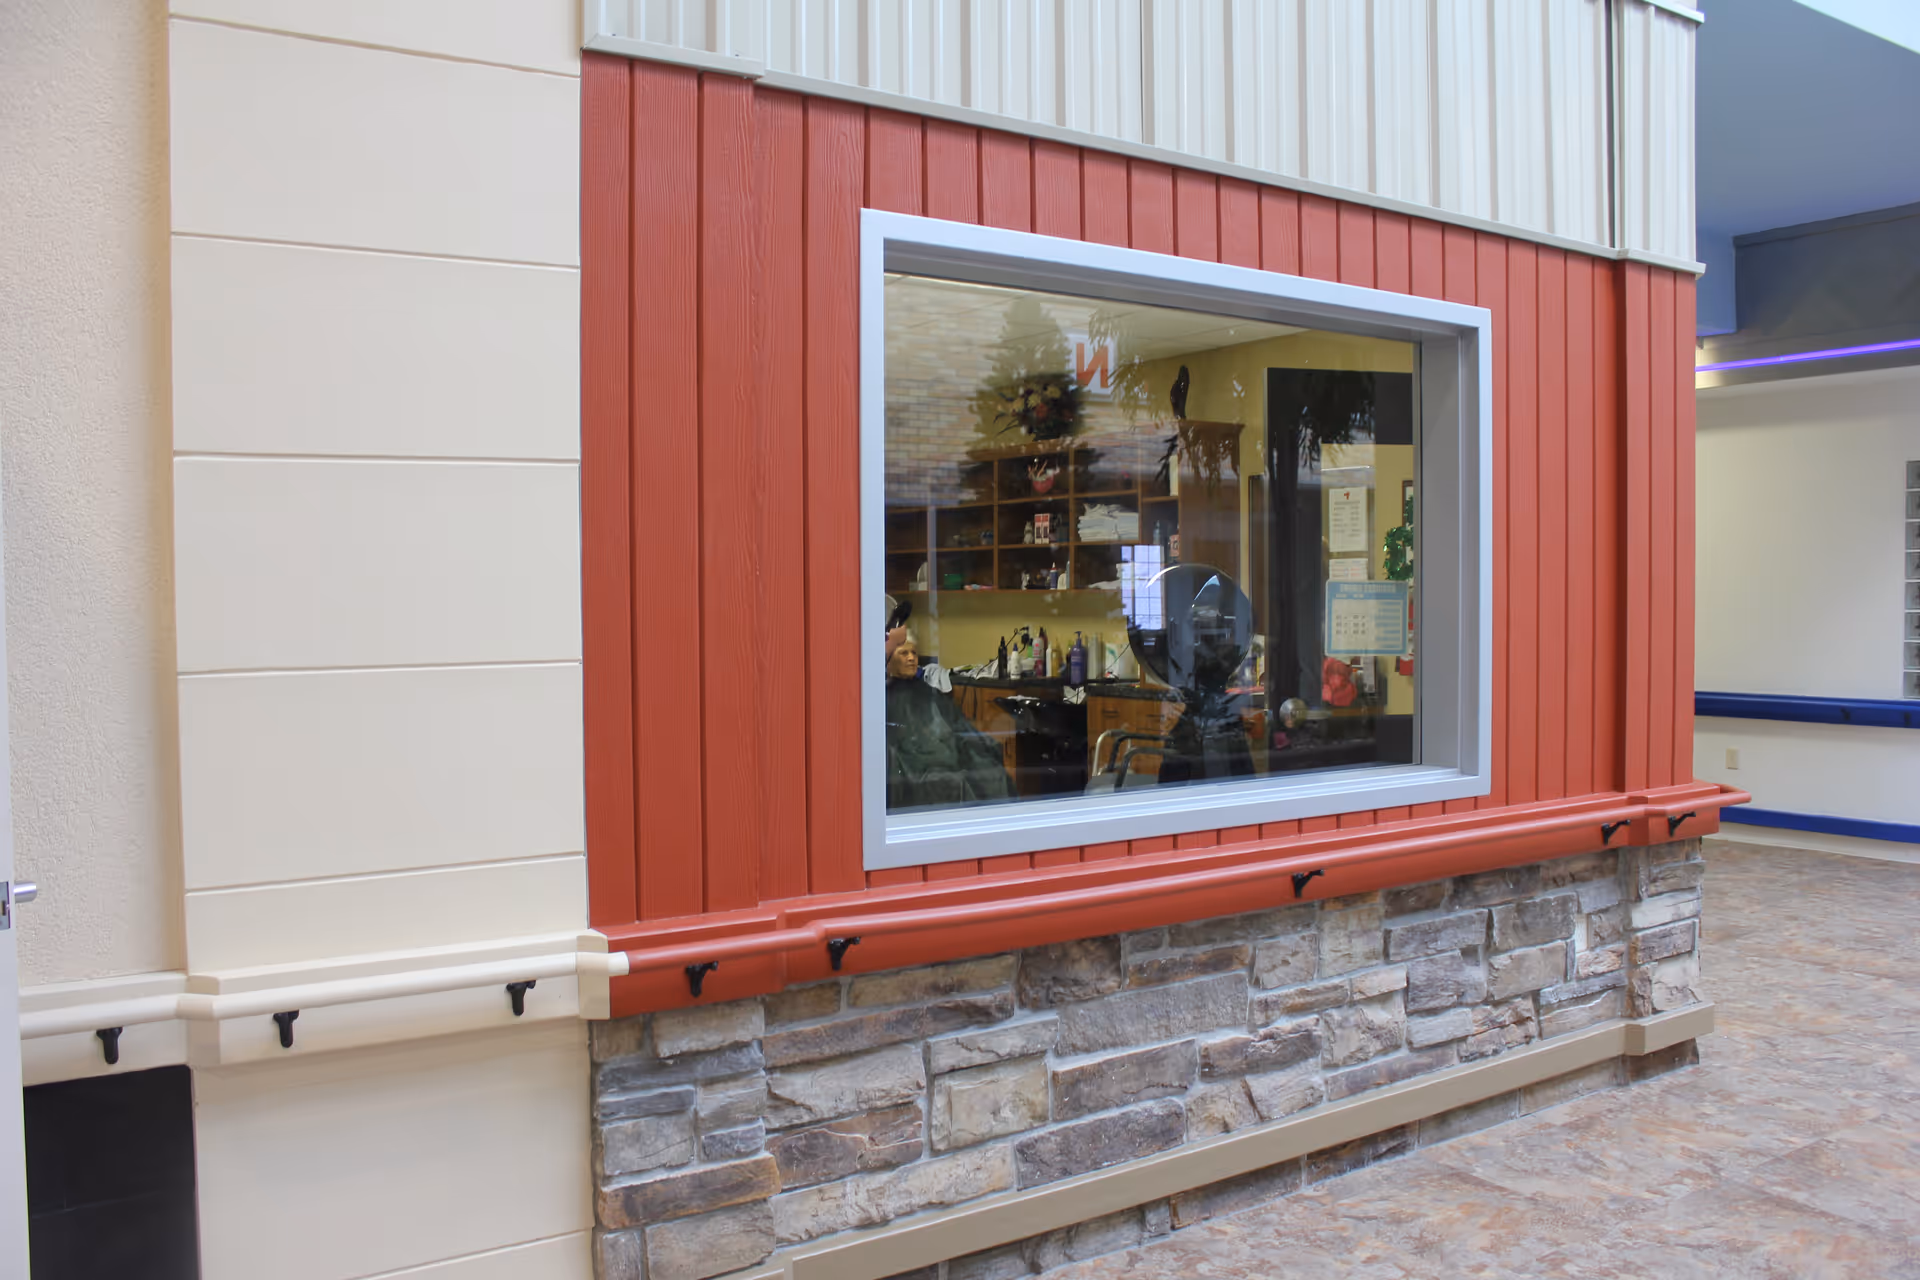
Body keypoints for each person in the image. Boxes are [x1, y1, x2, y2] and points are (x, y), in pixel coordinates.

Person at [884, 630, 1018, 811]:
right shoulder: (885, 699)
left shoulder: (930, 692)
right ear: (889, 661)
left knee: (992, 772)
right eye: (904, 653)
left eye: (914, 653)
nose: (911, 658)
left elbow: (959, 725)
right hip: (917, 764)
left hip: (950, 754)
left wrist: (981, 744)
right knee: (952, 781)